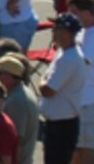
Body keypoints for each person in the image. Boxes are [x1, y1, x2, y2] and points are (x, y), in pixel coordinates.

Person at [39, 18, 86, 164]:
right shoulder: (62, 52)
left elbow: (48, 90)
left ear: (67, 33)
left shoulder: (70, 58)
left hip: (62, 125)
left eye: (57, 29)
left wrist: (42, 80)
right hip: (57, 123)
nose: (53, 32)